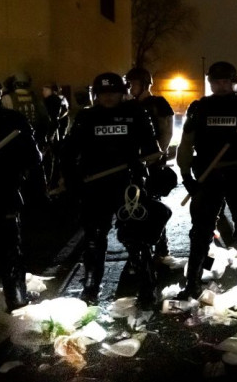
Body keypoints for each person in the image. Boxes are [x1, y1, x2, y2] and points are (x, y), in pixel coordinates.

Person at [60, 72, 167, 307]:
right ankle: (91, 286)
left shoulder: (136, 114)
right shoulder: (86, 117)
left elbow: (152, 148)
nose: (108, 97)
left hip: (128, 186)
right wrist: (71, 179)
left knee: (136, 239)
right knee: (93, 239)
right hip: (95, 187)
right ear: (96, 95)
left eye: (113, 92)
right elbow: (69, 152)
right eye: (103, 93)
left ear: (122, 93)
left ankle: (148, 286)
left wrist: (147, 165)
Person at [176, 61, 237, 300]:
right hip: (208, 175)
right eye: (216, 82)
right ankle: (193, 283)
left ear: (233, 82)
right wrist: (186, 176)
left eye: (225, 81)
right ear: (210, 84)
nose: (220, 85)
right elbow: (186, 143)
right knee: (201, 230)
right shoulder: (199, 108)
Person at [0, 81, 47, 312]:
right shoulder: (13, 120)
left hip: (4, 191)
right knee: (9, 249)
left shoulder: (14, 121)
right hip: (6, 192)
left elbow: (33, 159)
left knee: (9, 248)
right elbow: (34, 159)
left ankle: (16, 298)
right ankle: (15, 299)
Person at [125, 67, 177, 261]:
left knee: (153, 205)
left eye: (133, 83)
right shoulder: (128, 106)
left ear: (144, 84)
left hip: (152, 163)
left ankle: (161, 246)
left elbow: (166, 132)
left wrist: (155, 156)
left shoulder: (158, 104)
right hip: (133, 163)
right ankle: (137, 248)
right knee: (133, 205)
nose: (130, 87)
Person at [2, 71, 51, 147]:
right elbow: (45, 119)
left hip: (15, 141)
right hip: (34, 140)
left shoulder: (7, 98)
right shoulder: (36, 98)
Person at [41, 83, 70, 188]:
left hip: (56, 127)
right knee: (55, 152)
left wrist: (58, 118)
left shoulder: (56, 99)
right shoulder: (54, 99)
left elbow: (65, 111)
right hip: (56, 126)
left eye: (45, 90)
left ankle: (54, 178)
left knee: (54, 151)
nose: (43, 92)